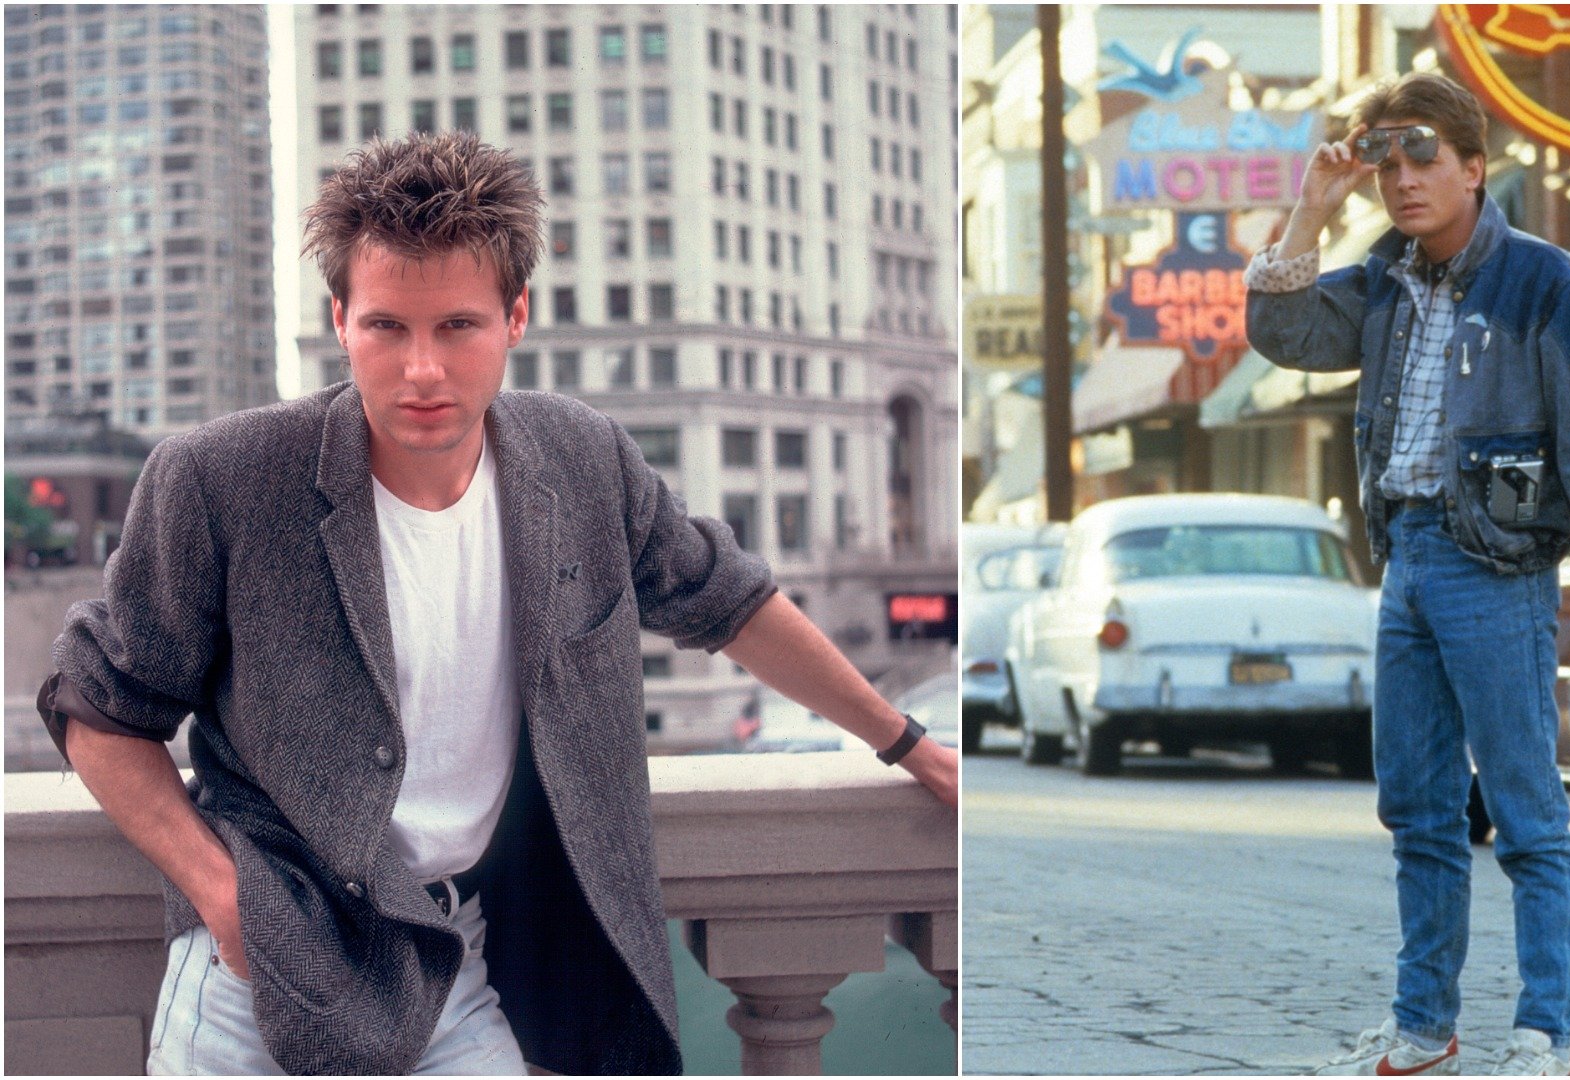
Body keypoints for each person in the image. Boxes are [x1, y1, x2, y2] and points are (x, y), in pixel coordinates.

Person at [37, 131, 957, 1076]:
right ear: (341, 319)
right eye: (388, 327)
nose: (422, 370)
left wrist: (906, 742)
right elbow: (97, 709)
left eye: (458, 327)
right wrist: (225, 900)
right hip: (263, 984)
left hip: (464, 965)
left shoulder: (581, 458)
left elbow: (731, 603)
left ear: (515, 316)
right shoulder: (221, 478)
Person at [1243, 73, 1570, 1076]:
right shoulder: (1383, 279)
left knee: (1526, 812)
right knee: (1417, 810)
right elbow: (1282, 331)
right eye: (1386, 158)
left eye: (1422, 152)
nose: (1402, 176)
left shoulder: (1543, 279)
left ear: (1476, 167)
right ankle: (1424, 1032)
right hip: (1410, 565)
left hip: (1498, 569)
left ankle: (1542, 1036)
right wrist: (1315, 202)